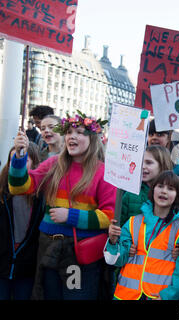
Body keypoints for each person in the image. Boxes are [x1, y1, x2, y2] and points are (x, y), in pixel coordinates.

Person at [8, 111, 116, 300]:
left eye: (80, 132)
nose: (72, 136)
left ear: (93, 138)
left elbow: (109, 216)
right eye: (69, 132)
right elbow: (19, 188)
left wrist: (70, 216)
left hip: (78, 252)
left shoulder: (103, 172)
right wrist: (19, 156)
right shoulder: (52, 164)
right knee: (48, 295)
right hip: (48, 247)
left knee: (74, 297)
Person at [105, 171, 179, 300]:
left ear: (177, 196)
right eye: (160, 186)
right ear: (153, 190)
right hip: (126, 295)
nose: (164, 191)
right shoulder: (133, 222)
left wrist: (169, 295)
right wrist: (113, 242)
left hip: (158, 296)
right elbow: (114, 260)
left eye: (170, 188)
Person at [0, 143, 44, 300]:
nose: (16, 162)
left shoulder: (41, 195)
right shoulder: (3, 190)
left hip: (27, 266)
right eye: (13, 158)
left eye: (23, 159)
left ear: (35, 163)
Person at [120, 145, 173, 227]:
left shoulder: (173, 195)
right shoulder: (130, 194)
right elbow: (121, 225)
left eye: (148, 163)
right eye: (140, 162)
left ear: (162, 165)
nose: (143, 166)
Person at [147, 120, 179, 189]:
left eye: (159, 135)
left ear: (168, 138)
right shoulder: (140, 162)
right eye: (151, 134)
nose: (154, 137)